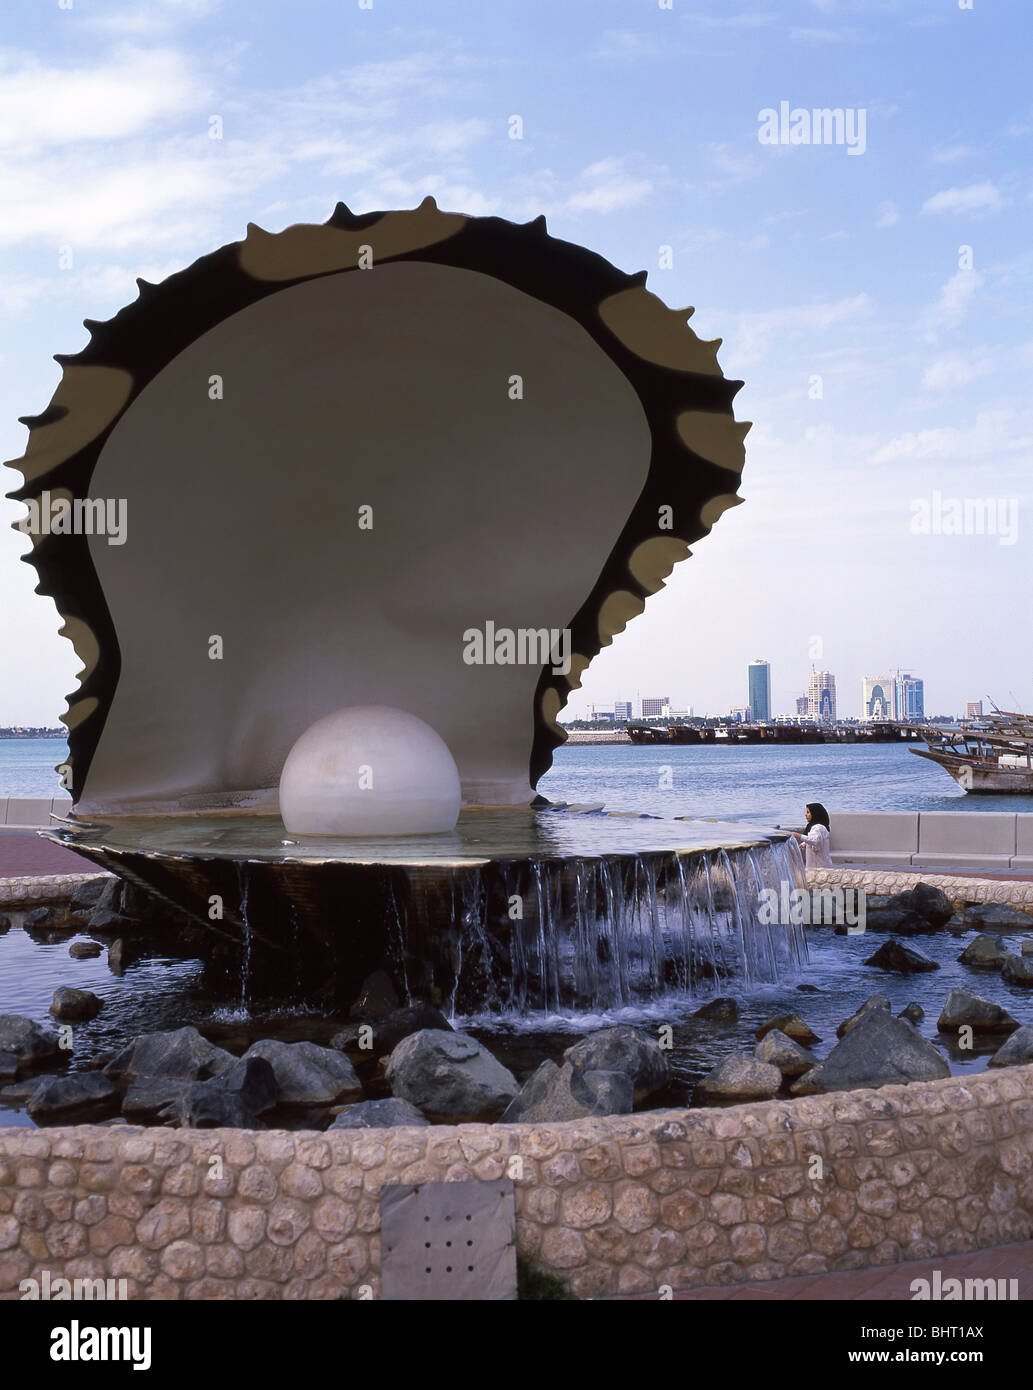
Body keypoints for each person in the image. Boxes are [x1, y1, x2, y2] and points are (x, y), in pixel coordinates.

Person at [791, 801, 832, 868]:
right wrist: (804, 844)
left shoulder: (817, 828)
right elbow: (817, 839)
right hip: (823, 864)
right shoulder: (821, 826)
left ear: (815, 814)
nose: (806, 815)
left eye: (808, 812)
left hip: (818, 867)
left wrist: (798, 835)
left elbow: (814, 841)